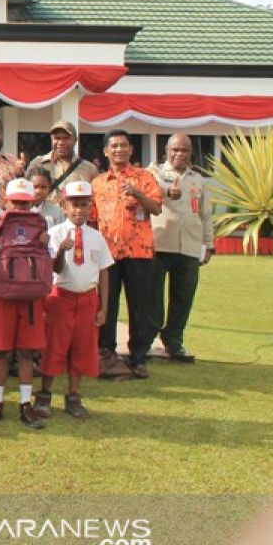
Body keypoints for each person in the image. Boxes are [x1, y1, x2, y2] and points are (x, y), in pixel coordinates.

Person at [0, 178, 52, 429]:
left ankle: (25, 404)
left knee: (26, 352)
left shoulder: (40, 225)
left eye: (24, 203)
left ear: (32, 202)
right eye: (16, 202)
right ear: (7, 200)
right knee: (2, 351)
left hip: (29, 298)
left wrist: (46, 243)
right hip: (3, 295)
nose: (19, 207)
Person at [38, 181, 113, 419]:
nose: (79, 210)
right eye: (74, 205)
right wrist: (60, 250)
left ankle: (74, 396)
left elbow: (103, 272)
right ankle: (45, 394)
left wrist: (103, 308)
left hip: (88, 300)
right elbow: (55, 268)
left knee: (82, 348)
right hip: (61, 298)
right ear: (64, 206)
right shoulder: (55, 233)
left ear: (90, 206)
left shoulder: (97, 237)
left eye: (84, 205)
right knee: (54, 347)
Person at [92, 129, 163, 378]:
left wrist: (138, 194)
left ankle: (139, 356)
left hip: (139, 253)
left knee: (139, 307)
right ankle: (107, 353)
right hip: (108, 253)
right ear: (106, 151)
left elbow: (156, 208)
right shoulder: (98, 183)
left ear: (131, 149)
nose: (119, 150)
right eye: (114, 146)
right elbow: (92, 219)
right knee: (107, 305)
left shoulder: (145, 177)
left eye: (124, 145)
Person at [148, 133, 214, 363]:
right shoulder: (153, 174)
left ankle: (174, 341)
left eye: (184, 150)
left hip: (190, 245)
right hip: (160, 244)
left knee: (183, 297)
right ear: (167, 150)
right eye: (175, 150)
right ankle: (147, 338)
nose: (179, 154)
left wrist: (209, 244)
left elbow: (205, 215)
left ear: (190, 153)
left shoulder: (198, 180)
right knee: (153, 296)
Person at [26, 120, 99, 206]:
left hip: (74, 218)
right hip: (44, 217)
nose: (61, 143)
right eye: (57, 138)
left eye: (66, 138)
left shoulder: (89, 169)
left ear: (75, 140)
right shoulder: (37, 164)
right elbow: (26, 194)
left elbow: (95, 200)